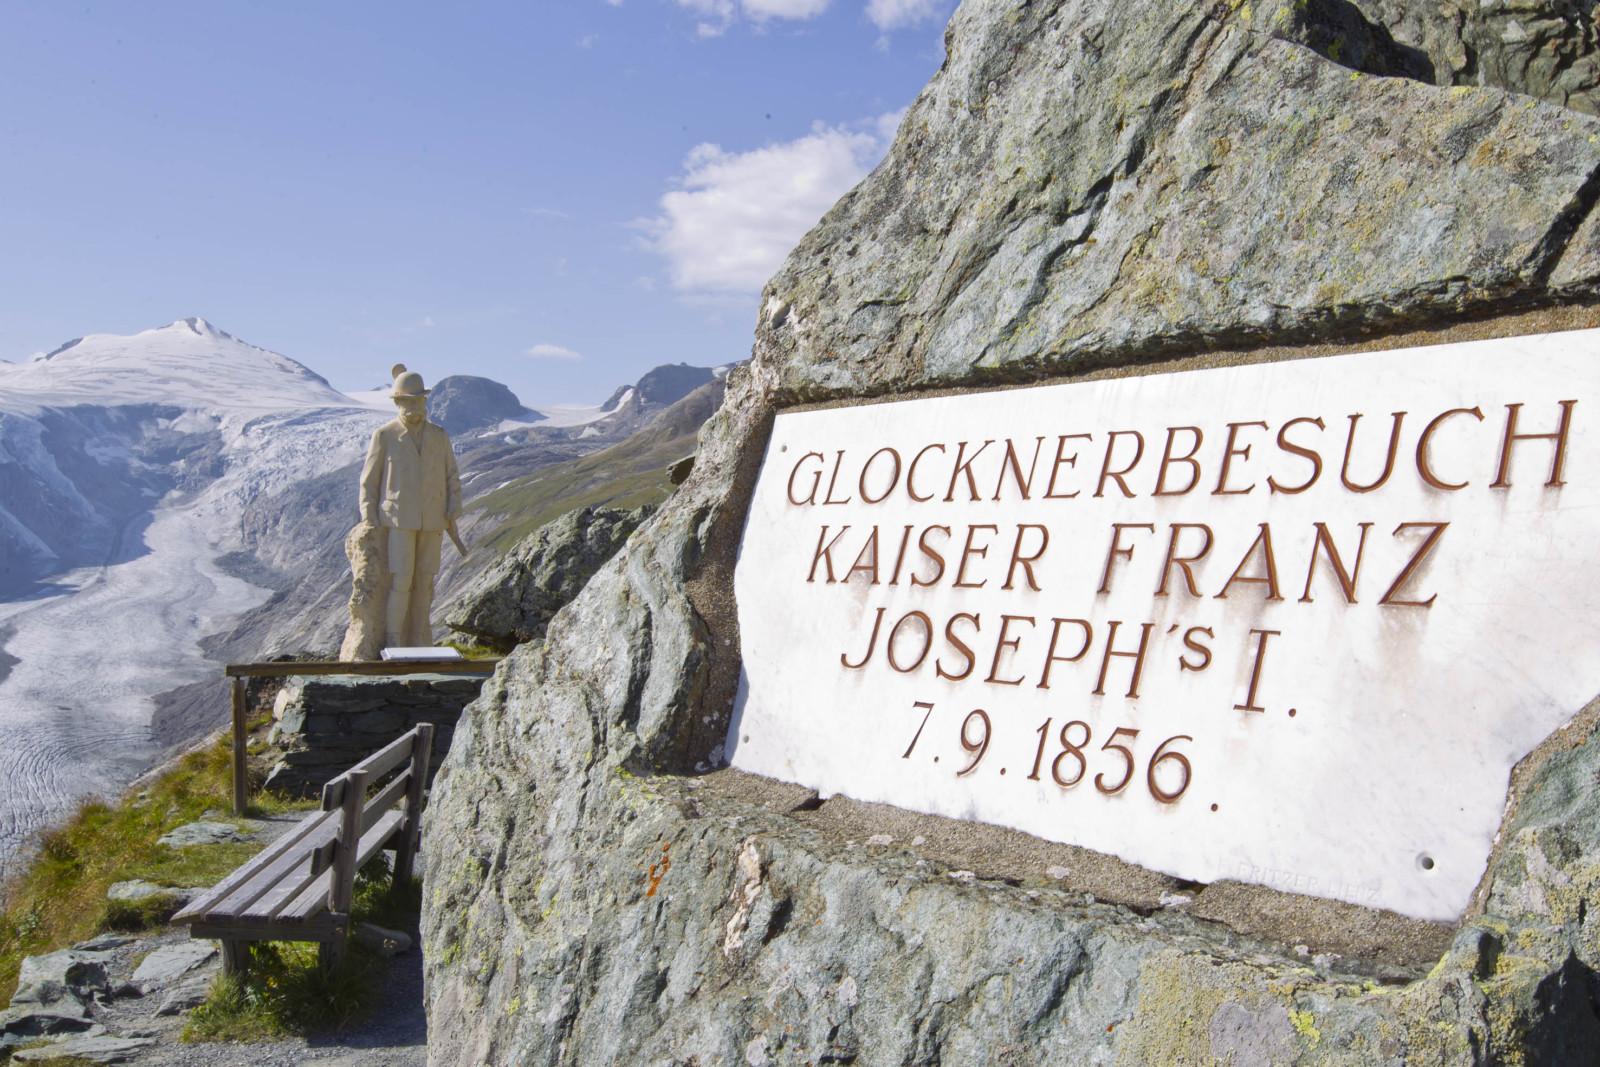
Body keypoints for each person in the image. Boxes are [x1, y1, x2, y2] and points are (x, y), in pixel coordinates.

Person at [358, 364, 462, 648]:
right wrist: (369, 518)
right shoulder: (385, 436)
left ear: (425, 401)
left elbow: (451, 475)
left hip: (432, 519)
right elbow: (369, 480)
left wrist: (454, 505)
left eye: (419, 400)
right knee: (401, 579)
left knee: (425, 582)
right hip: (398, 519)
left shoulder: (439, 436)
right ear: (398, 402)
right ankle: (393, 637)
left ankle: (417, 636)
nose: (414, 405)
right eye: (408, 400)